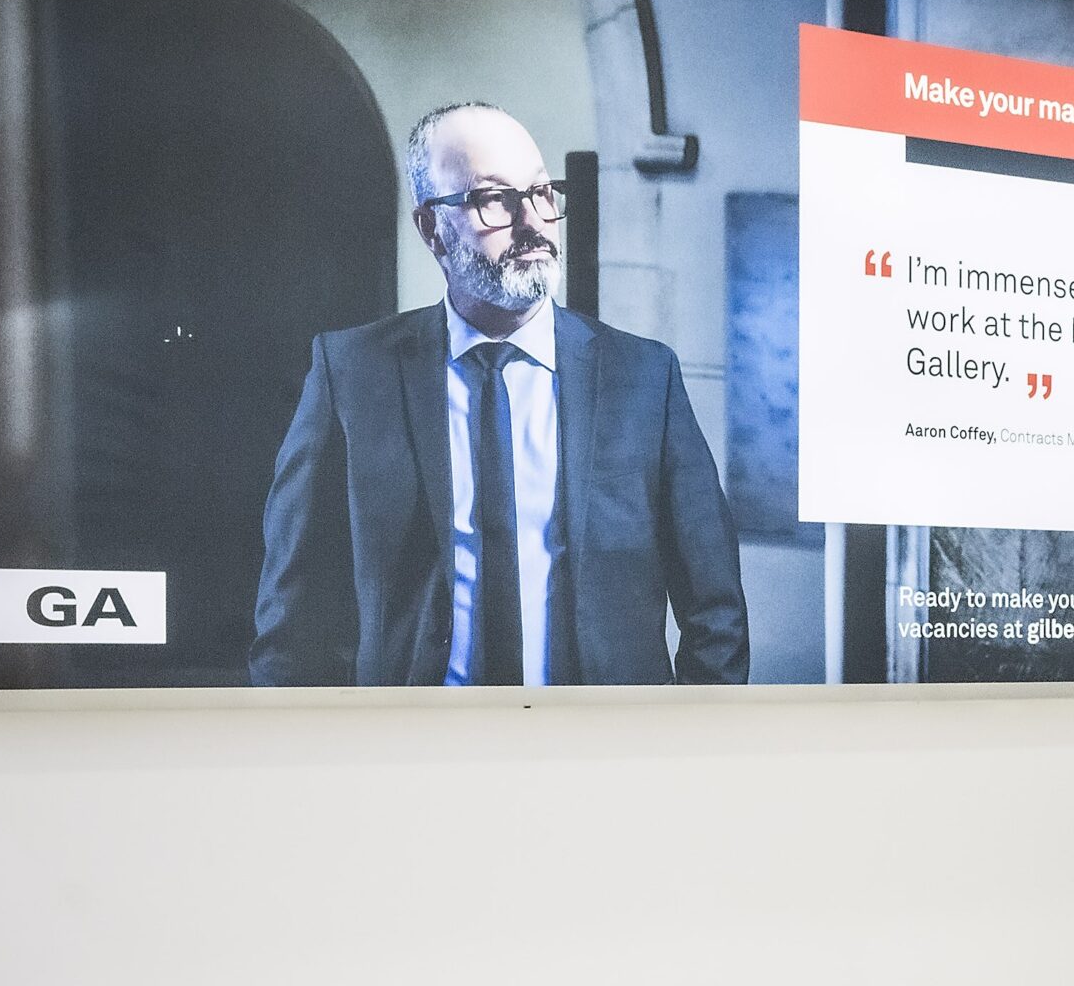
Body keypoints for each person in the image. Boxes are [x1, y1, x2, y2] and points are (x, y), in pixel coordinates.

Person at [250, 101, 749, 686]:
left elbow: (715, 610)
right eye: (494, 199)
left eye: (541, 192)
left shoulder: (643, 377)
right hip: (417, 740)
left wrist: (679, 738)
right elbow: (292, 621)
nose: (533, 220)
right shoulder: (353, 375)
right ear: (432, 228)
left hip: (601, 741)